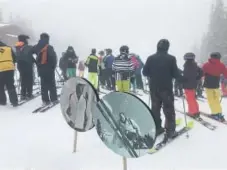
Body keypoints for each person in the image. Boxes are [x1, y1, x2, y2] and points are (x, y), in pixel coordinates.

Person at [143, 39, 181, 141]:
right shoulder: (171, 58)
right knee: (168, 109)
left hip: (154, 88)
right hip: (166, 88)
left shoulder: (151, 58)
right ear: (167, 47)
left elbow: (145, 72)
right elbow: (175, 74)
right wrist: (181, 78)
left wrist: (153, 73)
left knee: (155, 108)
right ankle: (170, 131)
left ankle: (157, 128)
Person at [33, 33, 58, 105]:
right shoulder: (49, 47)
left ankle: (45, 100)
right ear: (47, 39)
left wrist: (36, 62)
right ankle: (54, 99)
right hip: (49, 68)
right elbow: (53, 58)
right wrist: (53, 67)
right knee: (51, 84)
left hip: (41, 69)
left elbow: (29, 52)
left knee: (43, 85)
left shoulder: (36, 47)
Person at [202, 52, 227, 121]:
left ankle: (215, 113)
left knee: (211, 100)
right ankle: (219, 112)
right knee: (216, 100)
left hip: (208, 85)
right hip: (216, 85)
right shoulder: (222, 65)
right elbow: (226, 74)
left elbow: (202, 74)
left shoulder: (206, 65)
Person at [182, 53, 203, 118]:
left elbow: (186, 75)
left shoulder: (187, 65)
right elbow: (201, 72)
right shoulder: (195, 65)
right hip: (193, 84)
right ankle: (195, 111)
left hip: (187, 85)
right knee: (192, 98)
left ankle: (193, 112)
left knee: (190, 99)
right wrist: (197, 78)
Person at [15, 34, 35, 100]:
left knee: (23, 80)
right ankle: (29, 94)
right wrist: (36, 62)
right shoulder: (28, 47)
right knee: (29, 79)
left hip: (20, 65)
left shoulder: (17, 46)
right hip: (27, 64)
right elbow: (30, 55)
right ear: (24, 40)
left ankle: (23, 94)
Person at [0, 40, 18, 106]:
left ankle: (2, 101)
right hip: (10, 68)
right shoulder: (8, 48)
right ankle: (14, 101)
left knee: (0, 86)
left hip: (0, 70)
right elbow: (15, 58)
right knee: (10, 85)